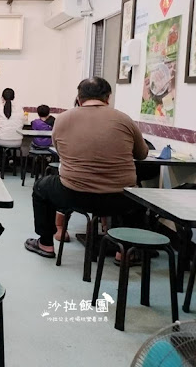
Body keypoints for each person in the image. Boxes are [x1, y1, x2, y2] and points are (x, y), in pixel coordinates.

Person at [24, 77, 149, 258]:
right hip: (119, 198)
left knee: (41, 188)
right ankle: (126, 251)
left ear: (79, 98)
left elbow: (60, 151)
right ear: (108, 97)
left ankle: (45, 244)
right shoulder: (125, 120)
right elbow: (142, 154)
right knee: (139, 201)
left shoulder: (63, 119)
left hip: (74, 195)